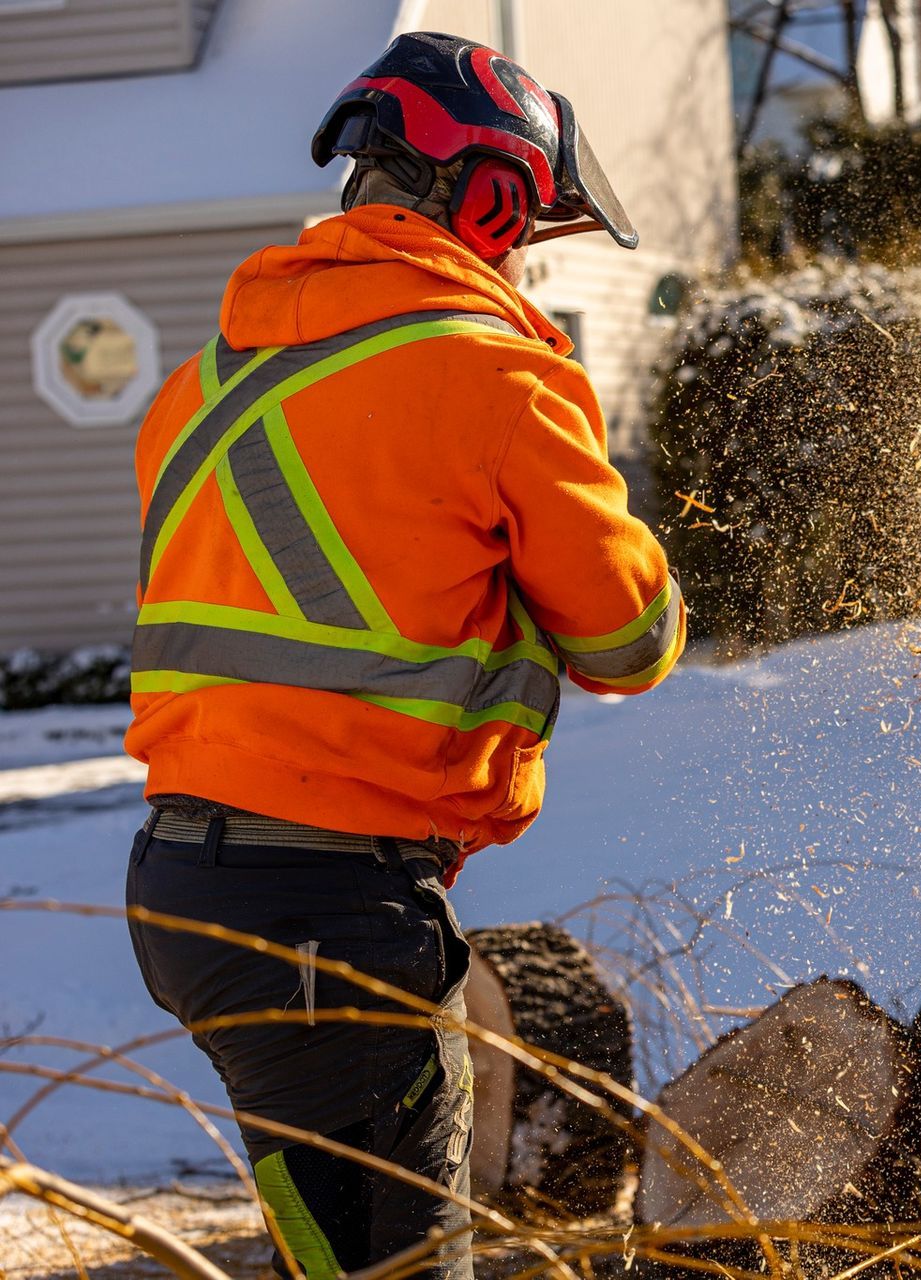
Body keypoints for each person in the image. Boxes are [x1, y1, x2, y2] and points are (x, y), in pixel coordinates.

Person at [122, 32, 683, 1279]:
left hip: (188, 887)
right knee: (399, 1267)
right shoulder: (494, 375)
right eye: (527, 228)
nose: (524, 258)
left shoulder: (205, 385)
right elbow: (629, 638)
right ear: (488, 199)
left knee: (331, 1251)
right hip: (329, 908)